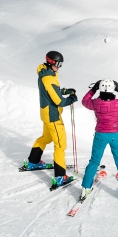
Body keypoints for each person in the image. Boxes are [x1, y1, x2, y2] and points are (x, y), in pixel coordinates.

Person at [20, 50, 76, 188]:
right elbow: (58, 101)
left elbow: (50, 91)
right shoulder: (49, 78)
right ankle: (59, 177)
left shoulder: (44, 72)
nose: (59, 67)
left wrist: (64, 91)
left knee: (46, 138)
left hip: (45, 114)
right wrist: (71, 99)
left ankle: (33, 162)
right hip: (53, 116)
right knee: (60, 145)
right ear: (51, 62)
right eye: (58, 64)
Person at [76, 79, 118, 206]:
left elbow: (85, 101)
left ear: (100, 89)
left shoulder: (96, 103)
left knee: (94, 161)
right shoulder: (117, 103)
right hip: (115, 135)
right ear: (113, 90)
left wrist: (93, 89)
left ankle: (85, 188)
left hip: (100, 135)